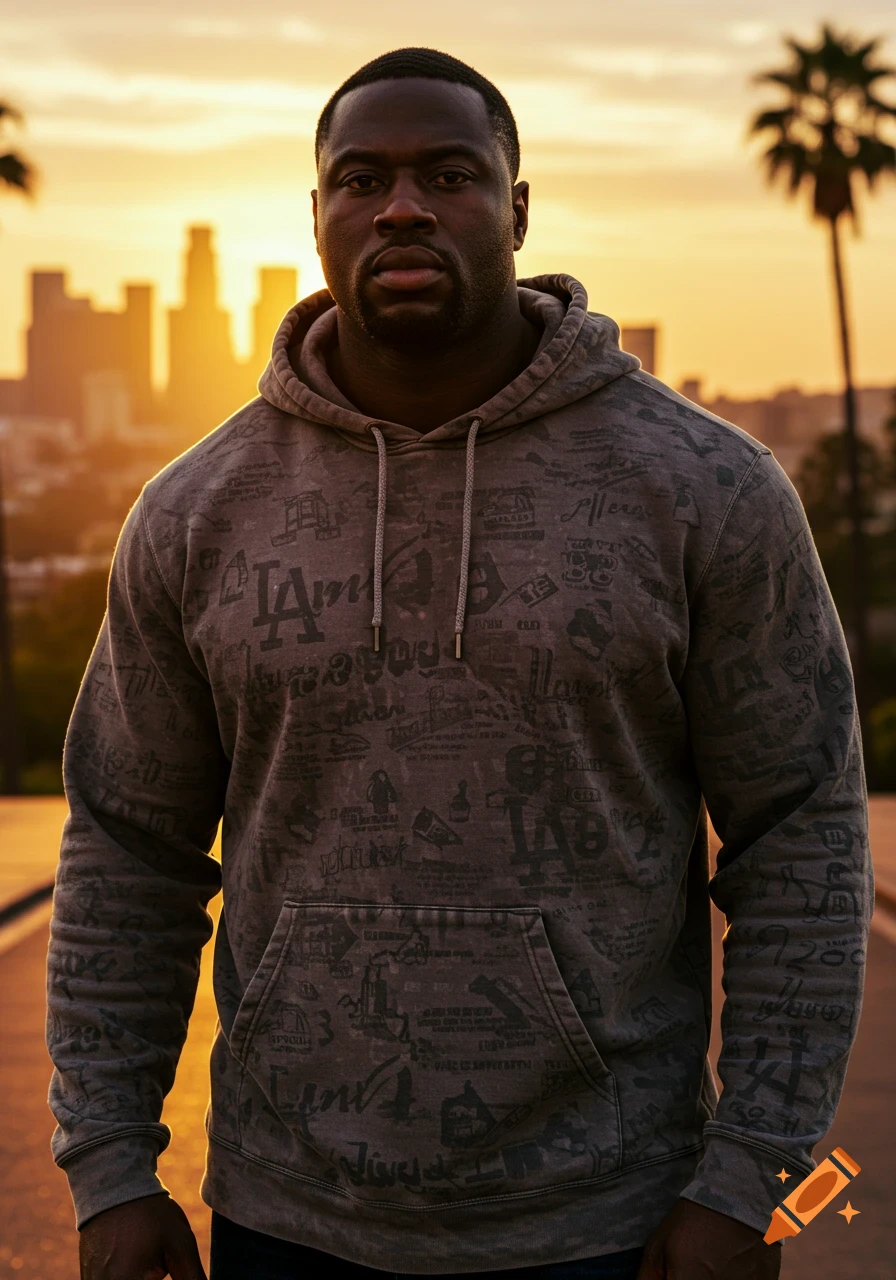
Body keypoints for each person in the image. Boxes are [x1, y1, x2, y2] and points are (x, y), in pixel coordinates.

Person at [48, 47, 872, 1280]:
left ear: (519, 208)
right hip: (285, 1213)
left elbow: (801, 837)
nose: (402, 206)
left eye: (450, 173)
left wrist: (755, 1178)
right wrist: (109, 1161)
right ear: (317, 216)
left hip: (612, 1215)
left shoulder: (702, 489)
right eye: (359, 177)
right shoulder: (194, 510)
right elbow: (126, 848)